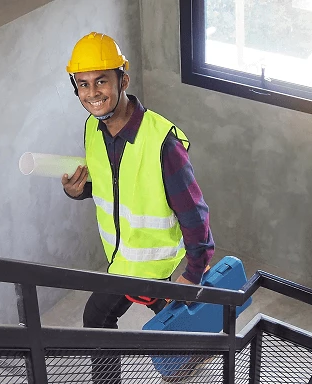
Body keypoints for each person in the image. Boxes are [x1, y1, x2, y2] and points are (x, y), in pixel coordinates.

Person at [61, 32, 215, 383]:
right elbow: (111, 185)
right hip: (123, 259)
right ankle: (187, 354)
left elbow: (195, 216)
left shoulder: (162, 143)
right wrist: (78, 191)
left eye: (101, 81)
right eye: (82, 84)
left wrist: (194, 273)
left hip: (156, 264)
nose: (92, 93)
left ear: (123, 80)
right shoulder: (93, 129)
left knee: (119, 323)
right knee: (121, 311)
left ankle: (183, 359)